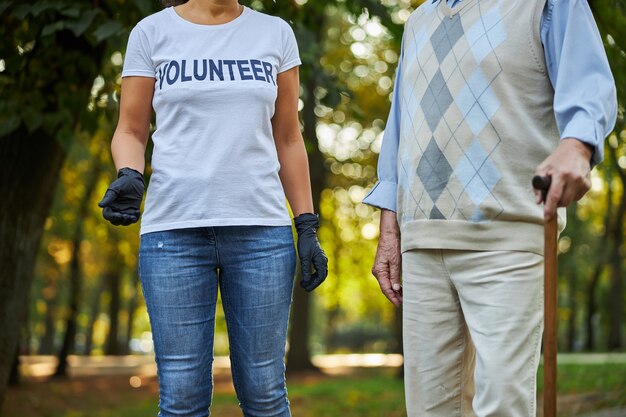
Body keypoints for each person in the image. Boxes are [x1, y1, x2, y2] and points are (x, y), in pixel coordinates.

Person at [363, 0, 617, 416]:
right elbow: (399, 128)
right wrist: (389, 228)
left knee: (502, 405)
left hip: (508, 238)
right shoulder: (418, 21)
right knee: (429, 410)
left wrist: (577, 145)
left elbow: (588, 86)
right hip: (422, 240)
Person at [98, 1, 328, 416]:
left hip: (262, 234)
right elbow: (131, 129)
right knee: (182, 398)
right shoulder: (150, 33)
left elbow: (289, 138)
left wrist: (307, 224)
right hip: (173, 233)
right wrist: (129, 173)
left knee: (265, 393)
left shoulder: (275, 33)